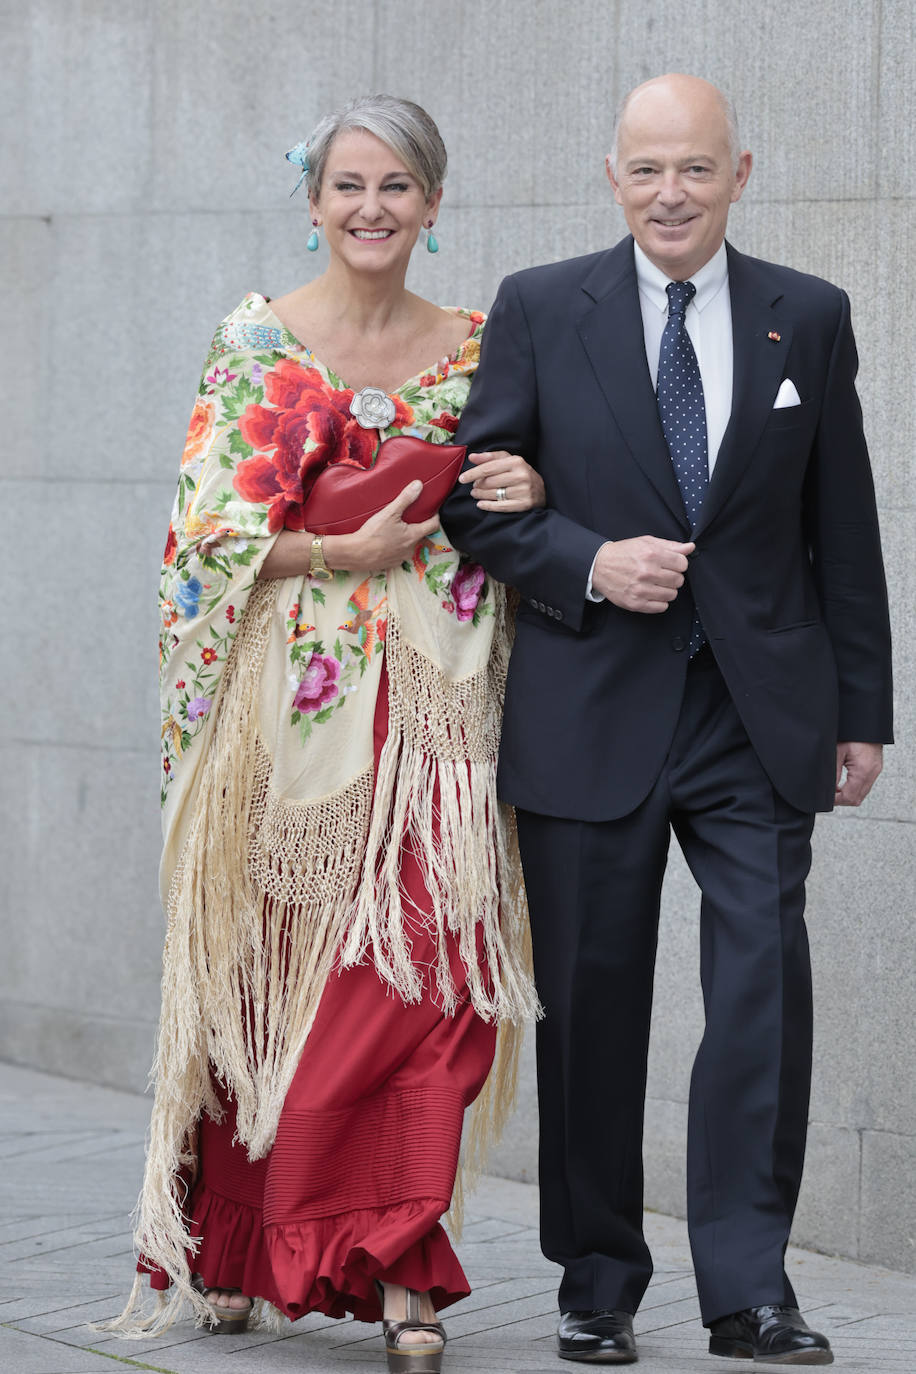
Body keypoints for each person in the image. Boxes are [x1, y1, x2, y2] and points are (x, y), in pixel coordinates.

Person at [441, 73, 892, 1367]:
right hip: (595, 702)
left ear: (738, 174)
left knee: (760, 986)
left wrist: (864, 706)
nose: (670, 193)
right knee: (593, 999)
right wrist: (587, 558)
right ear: (611, 174)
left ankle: (748, 1287)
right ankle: (596, 1278)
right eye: (647, 169)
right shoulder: (540, 306)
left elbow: (841, 523)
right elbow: (480, 502)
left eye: (694, 168)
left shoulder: (807, 316)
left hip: (756, 713)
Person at [107, 95, 543, 1373]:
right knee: (280, 984)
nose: (371, 209)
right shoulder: (254, 341)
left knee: (427, 988)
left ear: (434, 205)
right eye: (349, 186)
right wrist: (329, 548)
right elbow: (202, 542)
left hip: (443, 730)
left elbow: (532, 481)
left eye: (397, 186)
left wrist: (527, 481)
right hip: (286, 734)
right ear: (312, 200)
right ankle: (238, 1247)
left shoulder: (483, 349)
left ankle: (406, 1266)